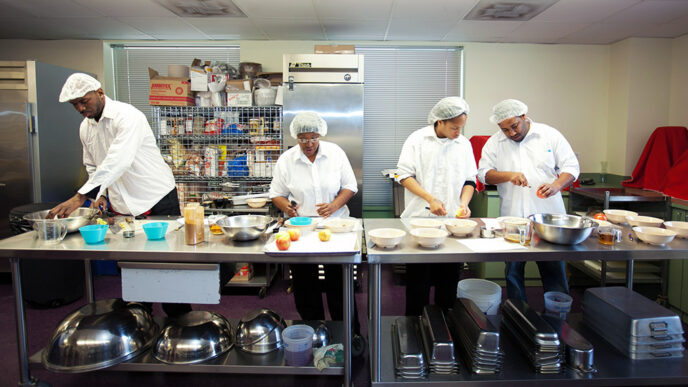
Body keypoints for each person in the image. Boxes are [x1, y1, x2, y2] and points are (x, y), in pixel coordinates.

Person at [50, 73, 194, 317]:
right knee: (132, 267)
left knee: (168, 266)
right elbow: (93, 166)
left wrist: (80, 197)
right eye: (75, 105)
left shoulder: (127, 117)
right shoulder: (86, 128)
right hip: (122, 204)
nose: (81, 108)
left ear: (100, 92)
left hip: (155, 197)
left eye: (84, 101)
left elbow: (119, 160)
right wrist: (100, 195)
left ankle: (180, 320)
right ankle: (140, 319)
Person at [269, 111, 365, 355]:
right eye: (303, 138)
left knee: (338, 285)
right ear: (296, 137)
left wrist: (334, 205)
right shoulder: (287, 160)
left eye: (313, 138)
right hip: (301, 230)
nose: (308, 144)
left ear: (320, 135)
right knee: (304, 285)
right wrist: (287, 208)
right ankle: (315, 332)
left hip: (336, 227)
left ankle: (348, 334)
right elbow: (276, 193)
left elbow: (350, 186)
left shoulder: (335, 153)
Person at [477, 99, 580, 301]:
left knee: (553, 271)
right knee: (513, 272)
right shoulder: (495, 142)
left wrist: (556, 185)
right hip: (513, 219)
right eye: (505, 129)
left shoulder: (549, 135)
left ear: (524, 116)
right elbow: (483, 174)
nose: (511, 133)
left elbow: (571, 167)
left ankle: (557, 316)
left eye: (514, 126)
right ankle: (517, 314)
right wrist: (508, 175)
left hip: (549, 219)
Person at [396, 97, 477, 316]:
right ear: (439, 121)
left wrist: (464, 204)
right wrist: (429, 198)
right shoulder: (417, 140)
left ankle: (445, 326)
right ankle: (414, 325)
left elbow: (470, 180)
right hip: (420, 220)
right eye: (454, 127)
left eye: (461, 127)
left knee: (449, 280)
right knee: (418, 282)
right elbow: (403, 175)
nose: (458, 132)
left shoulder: (464, 144)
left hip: (452, 223)